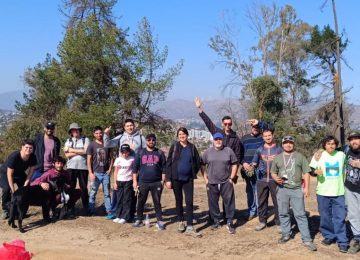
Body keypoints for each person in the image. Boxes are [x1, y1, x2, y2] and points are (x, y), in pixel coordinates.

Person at [195, 97, 243, 221]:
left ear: (231, 124)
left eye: (229, 124)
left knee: (227, 198)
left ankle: (228, 218)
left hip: (228, 173)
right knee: (213, 198)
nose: (227, 125)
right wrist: (200, 109)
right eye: (225, 123)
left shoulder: (235, 138)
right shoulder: (218, 133)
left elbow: (236, 159)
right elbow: (208, 122)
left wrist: (234, 176)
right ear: (222, 124)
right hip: (215, 172)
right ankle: (214, 219)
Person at [271, 136, 317, 251]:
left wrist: (306, 188)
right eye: (286, 143)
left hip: (296, 189)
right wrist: (276, 178)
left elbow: (306, 173)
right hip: (282, 189)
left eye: (290, 143)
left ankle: (306, 239)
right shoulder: (277, 158)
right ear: (282, 144)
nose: (288, 145)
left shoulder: (300, 156)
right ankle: (286, 234)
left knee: (300, 214)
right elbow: (273, 172)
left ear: (293, 144)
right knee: (283, 212)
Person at [309, 135, 348, 253]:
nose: (331, 146)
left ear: (336, 145)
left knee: (340, 217)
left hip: (339, 191)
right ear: (324, 145)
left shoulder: (342, 155)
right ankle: (329, 236)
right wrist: (315, 172)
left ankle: (343, 241)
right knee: (325, 216)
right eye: (328, 144)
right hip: (323, 192)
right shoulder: (319, 155)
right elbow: (311, 171)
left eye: (333, 144)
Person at [103, 118, 146, 218]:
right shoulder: (121, 137)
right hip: (122, 169)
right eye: (127, 126)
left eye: (131, 125)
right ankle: (114, 212)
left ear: (134, 126)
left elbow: (145, 151)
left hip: (135, 169)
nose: (130, 127)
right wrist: (106, 134)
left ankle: (130, 213)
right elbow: (107, 144)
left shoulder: (140, 138)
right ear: (124, 127)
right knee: (117, 191)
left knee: (133, 192)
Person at [165, 127, 202, 237]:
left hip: (188, 179)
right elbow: (168, 163)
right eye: (180, 134)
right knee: (179, 200)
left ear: (187, 135)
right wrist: (168, 179)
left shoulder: (192, 147)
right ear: (178, 136)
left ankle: (190, 225)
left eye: (184, 134)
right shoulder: (175, 146)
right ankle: (181, 221)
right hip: (176, 178)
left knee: (189, 201)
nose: (182, 136)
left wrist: (192, 172)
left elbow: (197, 162)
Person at [201, 132, 238, 234]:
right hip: (212, 182)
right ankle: (216, 221)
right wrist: (206, 179)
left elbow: (235, 164)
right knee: (213, 203)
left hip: (226, 181)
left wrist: (232, 177)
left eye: (220, 139)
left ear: (222, 140)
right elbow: (202, 165)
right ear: (213, 140)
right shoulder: (207, 152)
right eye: (216, 139)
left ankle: (230, 222)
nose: (218, 141)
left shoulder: (228, 151)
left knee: (229, 202)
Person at [132, 133, 167, 230]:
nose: (151, 141)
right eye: (149, 140)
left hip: (156, 182)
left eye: (153, 140)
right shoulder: (140, 153)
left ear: (155, 141)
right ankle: (139, 219)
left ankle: (159, 220)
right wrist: (135, 181)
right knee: (141, 201)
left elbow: (164, 168)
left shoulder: (159, 153)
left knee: (157, 202)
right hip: (143, 182)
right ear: (146, 141)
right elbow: (135, 168)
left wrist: (162, 181)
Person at [240, 119, 272, 220]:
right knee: (250, 190)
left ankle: (260, 211)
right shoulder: (244, 138)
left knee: (260, 190)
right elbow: (239, 153)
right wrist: (243, 163)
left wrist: (259, 122)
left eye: (257, 127)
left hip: (260, 168)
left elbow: (270, 128)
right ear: (251, 127)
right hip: (248, 168)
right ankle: (252, 211)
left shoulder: (263, 138)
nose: (255, 128)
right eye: (254, 127)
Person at [252, 127, 282, 232]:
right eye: (265, 136)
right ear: (263, 137)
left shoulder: (279, 149)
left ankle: (279, 222)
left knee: (277, 201)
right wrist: (251, 166)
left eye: (269, 135)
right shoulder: (260, 149)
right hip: (262, 179)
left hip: (275, 179)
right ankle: (262, 221)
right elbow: (254, 162)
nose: (268, 137)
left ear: (273, 135)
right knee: (261, 201)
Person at [0, 139, 37, 219]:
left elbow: (30, 173)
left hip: (19, 173)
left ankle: (22, 211)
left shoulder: (33, 157)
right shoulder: (15, 156)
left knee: (26, 189)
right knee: (6, 189)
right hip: (6, 173)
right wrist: (13, 191)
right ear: (22, 147)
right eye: (26, 147)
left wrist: (24, 186)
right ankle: (5, 210)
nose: (28, 149)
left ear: (33, 149)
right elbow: (9, 174)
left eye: (30, 148)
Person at [87, 126, 113, 218]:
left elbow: (111, 157)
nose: (99, 135)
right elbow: (89, 160)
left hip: (105, 173)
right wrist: (90, 172)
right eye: (97, 133)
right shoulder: (91, 145)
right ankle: (91, 211)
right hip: (96, 173)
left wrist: (110, 169)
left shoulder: (107, 143)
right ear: (94, 134)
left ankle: (109, 211)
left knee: (107, 193)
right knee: (93, 193)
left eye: (100, 133)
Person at [63, 123, 90, 212]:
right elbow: (66, 154)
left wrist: (72, 150)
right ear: (71, 132)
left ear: (79, 130)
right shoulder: (68, 140)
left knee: (84, 188)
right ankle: (70, 207)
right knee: (71, 187)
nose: (75, 131)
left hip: (83, 168)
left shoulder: (85, 139)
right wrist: (80, 151)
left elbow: (86, 151)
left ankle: (86, 207)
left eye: (77, 129)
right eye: (73, 130)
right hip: (71, 167)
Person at [344, 131, 360, 254]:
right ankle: (357, 238)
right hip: (349, 188)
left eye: (357, 139)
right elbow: (330, 148)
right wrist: (319, 152)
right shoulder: (346, 150)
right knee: (353, 215)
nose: (354, 141)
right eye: (352, 139)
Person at [112, 144, 135, 224]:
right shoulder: (118, 159)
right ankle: (118, 215)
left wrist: (134, 181)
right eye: (123, 152)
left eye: (127, 152)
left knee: (127, 199)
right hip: (119, 181)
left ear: (129, 152)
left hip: (128, 181)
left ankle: (125, 217)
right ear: (121, 152)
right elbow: (115, 172)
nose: (125, 154)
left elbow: (134, 171)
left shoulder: (132, 159)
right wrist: (114, 182)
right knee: (119, 199)